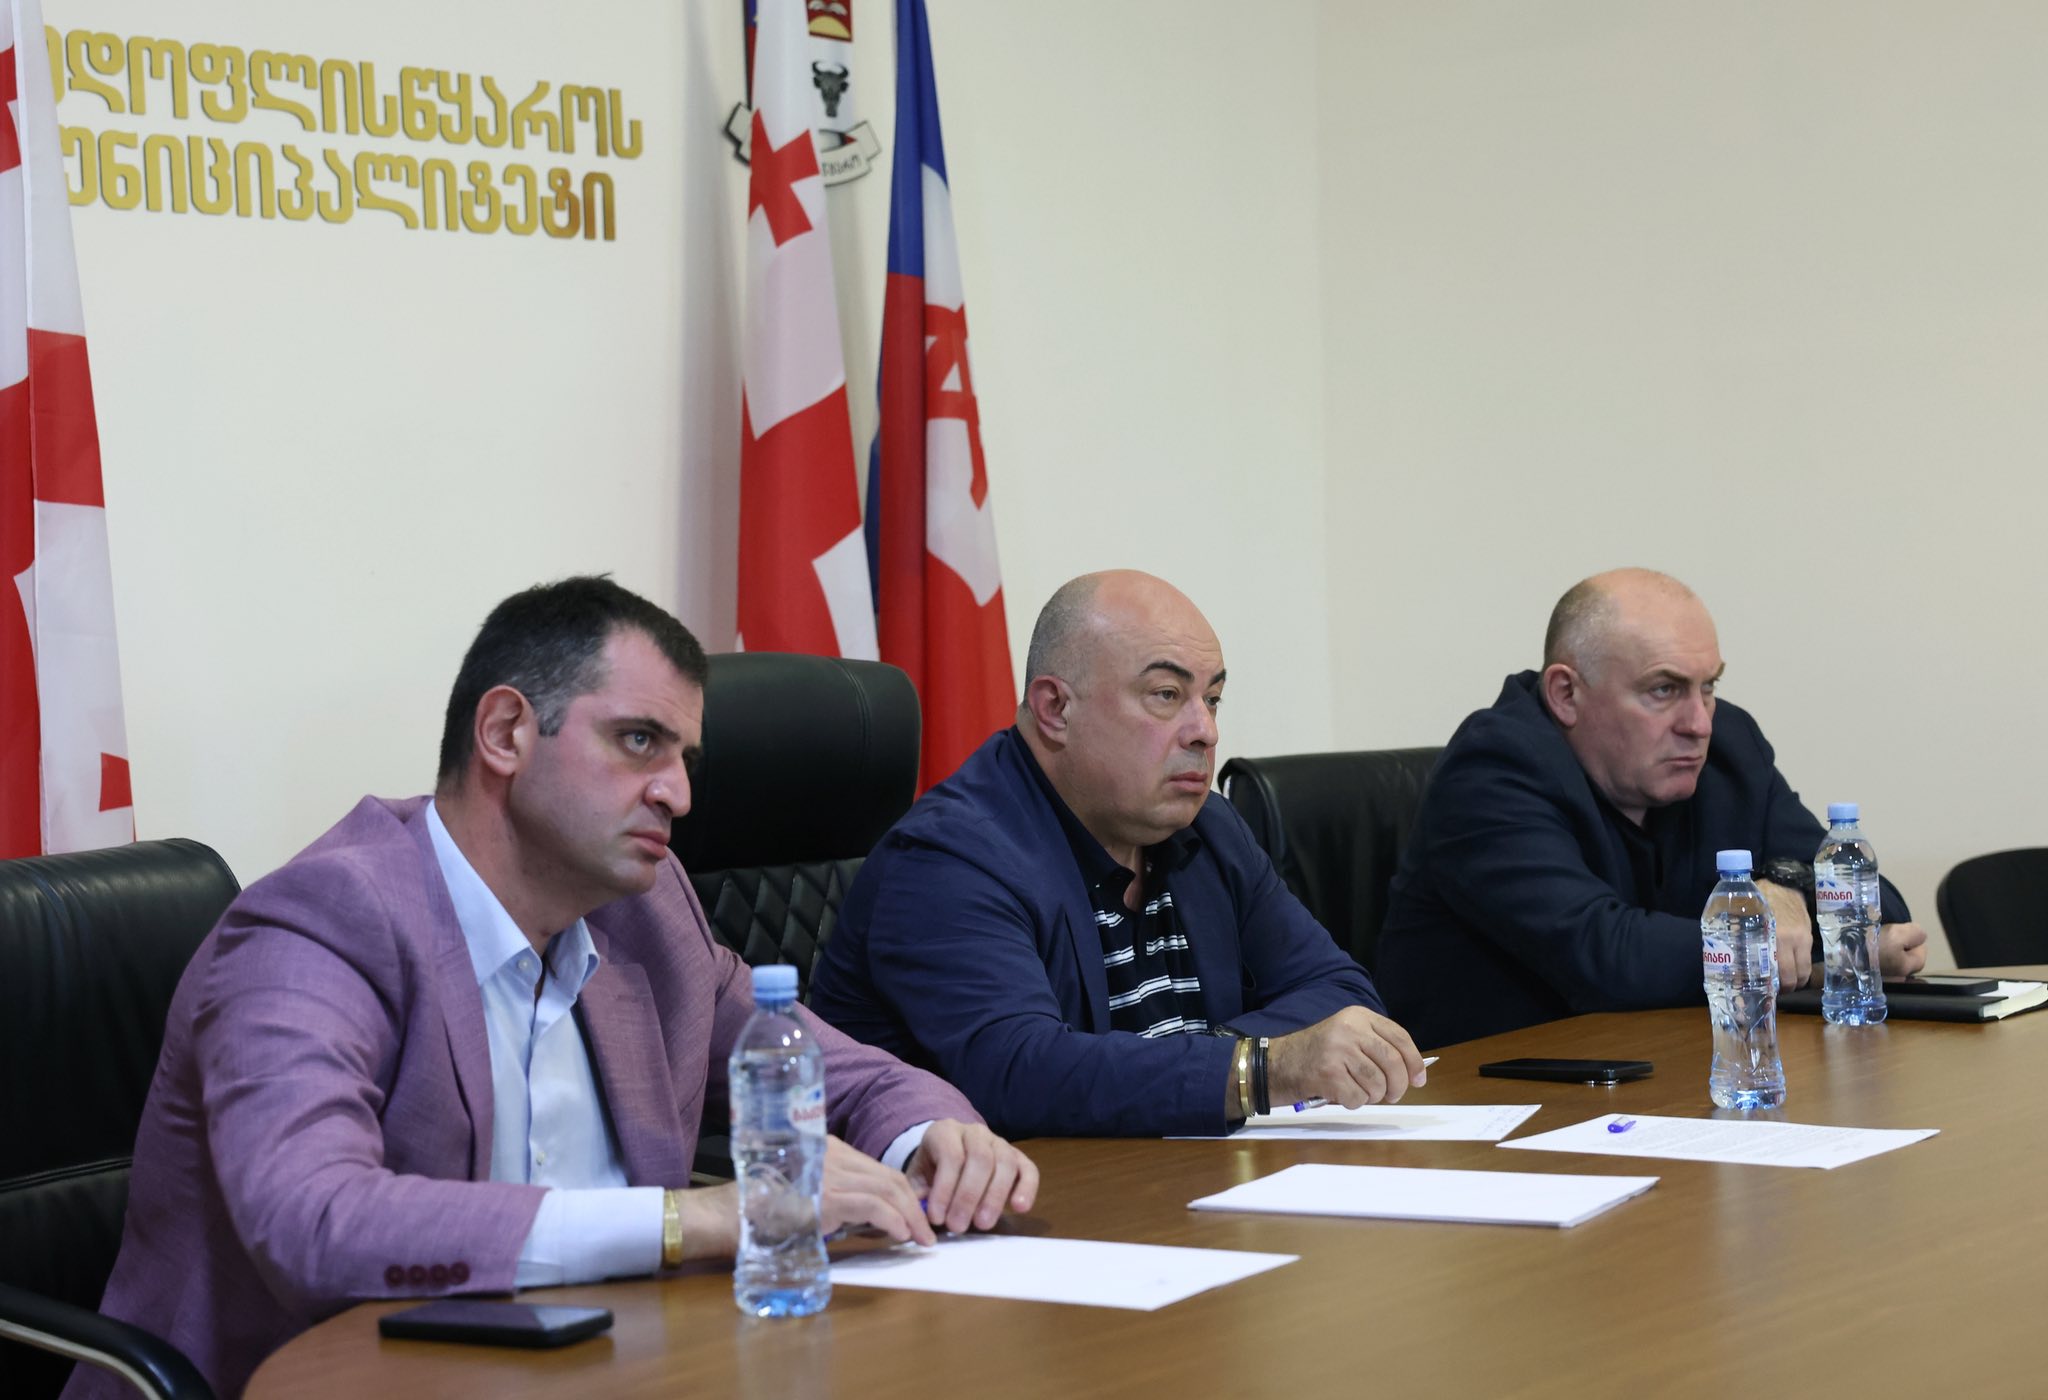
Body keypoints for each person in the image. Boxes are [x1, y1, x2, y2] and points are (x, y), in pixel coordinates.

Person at [72, 577, 1036, 1400]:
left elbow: (840, 1069)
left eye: (685, 758)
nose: (679, 794)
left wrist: (933, 1136)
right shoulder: (323, 922)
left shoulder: (649, 915)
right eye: (639, 741)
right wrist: (692, 1220)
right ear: (506, 732)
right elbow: (314, 1222)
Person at [808, 570, 1426, 1139]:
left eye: (1211, 698)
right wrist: (1259, 1068)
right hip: (995, 1206)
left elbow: (1340, 991)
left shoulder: (1210, 829)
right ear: (1055, 709)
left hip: (1171, 1177)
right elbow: (1019, 1073)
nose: (1205, 730)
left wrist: (1223, 1063)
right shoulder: (949, 858)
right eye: (1166, 694)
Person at [1376, 567, 1930, 1047]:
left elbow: (1881, 910)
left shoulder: (1730, 749)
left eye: (1708, 686)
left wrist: (1782, 886)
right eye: (1664, 690)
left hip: (1675, 1075)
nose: (1698, 723)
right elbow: (1609, 960)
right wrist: (1797, 949)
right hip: (1502, 1101)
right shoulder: (1493, 771)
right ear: (1566, 694)